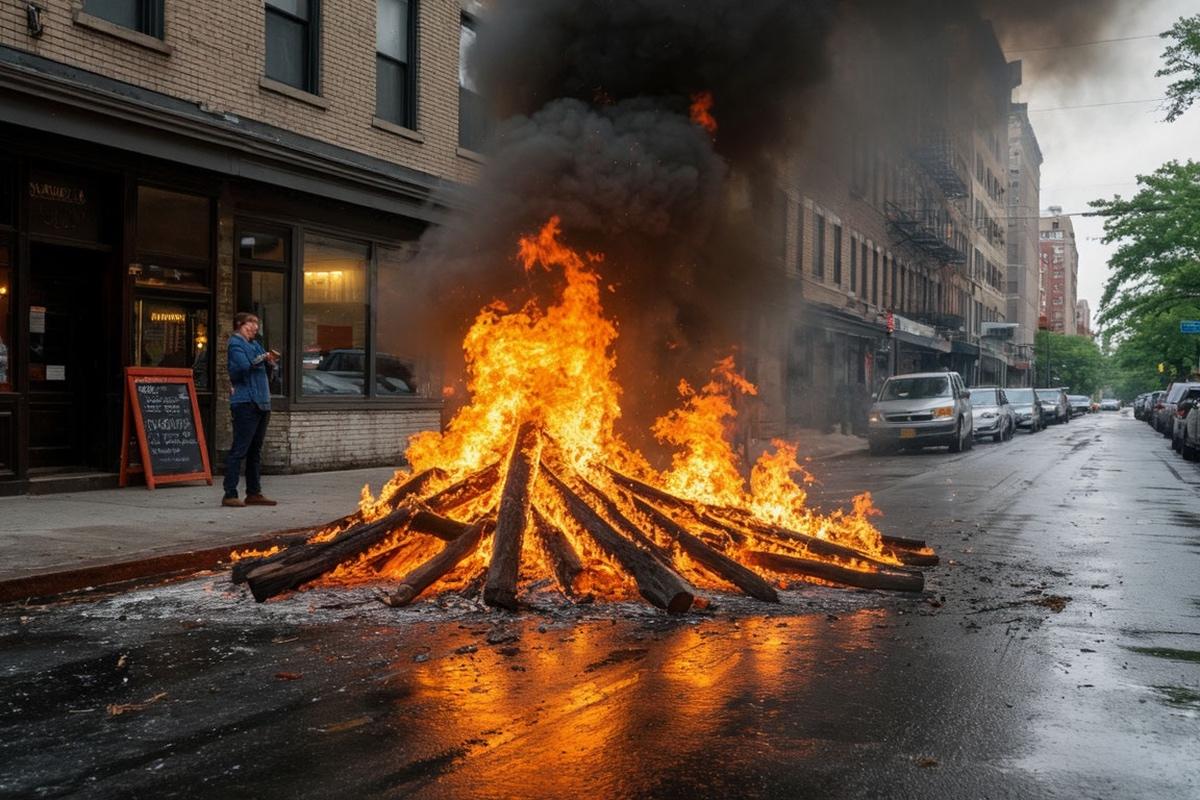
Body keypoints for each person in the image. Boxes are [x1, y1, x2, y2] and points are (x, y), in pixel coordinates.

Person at [223, 312, 278, 507]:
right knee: (239, 449)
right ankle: (230, 494)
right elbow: (244, 366)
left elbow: (266, 371)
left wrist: (270, 363)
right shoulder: (235, 344)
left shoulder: (255, 345)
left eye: (256, 327)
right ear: (239, 325)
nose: (253, 330)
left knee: (255, 450)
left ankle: (254, 493)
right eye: (250, 327)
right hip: (245, 402)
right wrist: (262, 358)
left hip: (262, 401)